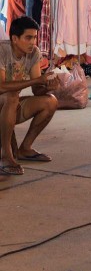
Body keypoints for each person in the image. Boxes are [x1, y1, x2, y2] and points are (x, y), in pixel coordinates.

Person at [0, 17, 59, 176]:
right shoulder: (2, 50)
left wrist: (48, 87)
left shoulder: (33, 53)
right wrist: (37, 80)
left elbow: (36, 90)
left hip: (9, 106)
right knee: (11, 96)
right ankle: (5, 156)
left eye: (34, 37)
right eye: (28, 38)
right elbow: (1, 86)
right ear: (14, 39)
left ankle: (25, 149)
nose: (33, 42)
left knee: (50, 101)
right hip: (5, 102)